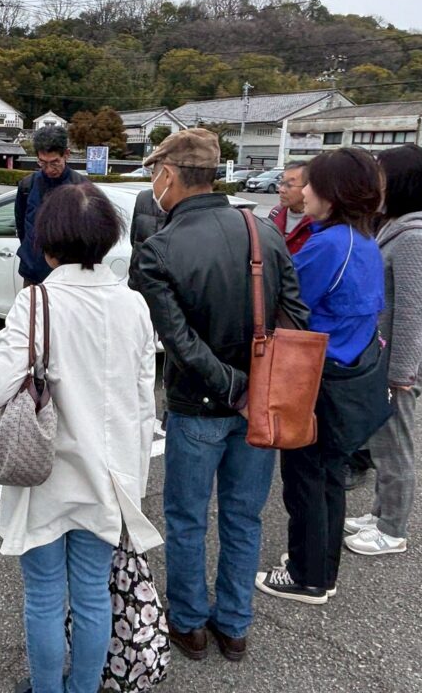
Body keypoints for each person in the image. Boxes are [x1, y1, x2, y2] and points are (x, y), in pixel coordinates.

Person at [130, 129, 308, 663]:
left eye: (155, 173)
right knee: (243, 517)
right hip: (262, 405)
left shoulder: (158, 249)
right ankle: (234, 625)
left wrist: (232, 388)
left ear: (168, 174)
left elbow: (178, 342)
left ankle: (189, 624)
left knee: (187, 519)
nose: (154, 183)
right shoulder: (264, 231)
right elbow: (296, 319)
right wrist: (256, 387)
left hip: (199, 405)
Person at [0, 183, 162, 693]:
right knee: (92, 594)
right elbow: (144, 404)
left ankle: (47, 688)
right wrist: (135, 483)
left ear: (47, 241)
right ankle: (83, 687)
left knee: (43, 595)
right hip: (109, 478)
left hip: (45, 475)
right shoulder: (134, 306)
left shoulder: (37, 301)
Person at [256, 147, 386, 606]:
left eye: (311, 182)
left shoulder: (329, 245)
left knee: (305, 479)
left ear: (332, 192)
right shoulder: (362, 239)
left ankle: (306, 576)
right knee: (328, 477)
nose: (304, 189)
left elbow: (286, 299)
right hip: (349, 374)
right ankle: (321, 569)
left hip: (317, 378)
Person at [344, 145, 422, 556]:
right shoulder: (397, 226)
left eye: (381, 178)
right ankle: (380, 514)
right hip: (386, 358)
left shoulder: (412, 238)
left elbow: (415, 313)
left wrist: (401, 374)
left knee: (394, 448)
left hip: (398, 365)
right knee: (382, 442)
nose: (375, 187)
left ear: (402, 183)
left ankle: (392, 530)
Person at [14, 125, 87, 285]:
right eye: (43, 162)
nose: (48, 169)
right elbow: (22, 226)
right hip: (32, 272)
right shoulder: (27, 185)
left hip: (69, 275)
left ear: (66, 154)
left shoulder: (82, 186)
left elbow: (89, 233)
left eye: (55, 163)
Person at [267, 160, 314, 255]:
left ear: (308, 187)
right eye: (281, 183)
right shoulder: (275, 213)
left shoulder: (318, 222)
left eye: (289, 185)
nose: (281, 190)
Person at [127, 186, 166, 292]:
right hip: (139, 282)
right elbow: (134, 238)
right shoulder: (143, 197)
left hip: (166, 285)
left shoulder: (184, 199)